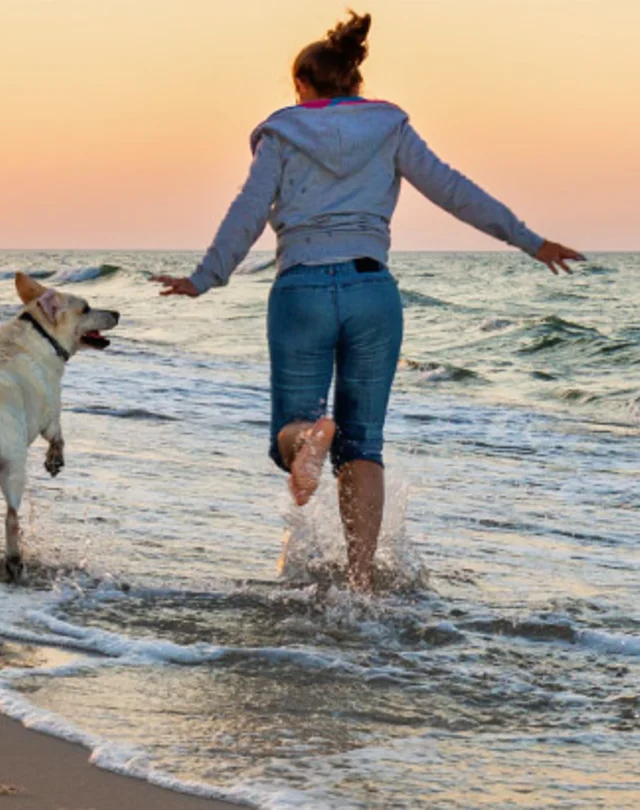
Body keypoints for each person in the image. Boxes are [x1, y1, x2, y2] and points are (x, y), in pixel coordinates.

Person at [155, 11, 583, 593]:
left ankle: (306, 439)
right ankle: (360, 583)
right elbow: (454, 191)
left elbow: (247, 212)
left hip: (302, 288)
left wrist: (204, 278)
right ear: (355, 82)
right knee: (363, 444)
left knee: (293, 427)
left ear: (303, 86)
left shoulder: (283, 134)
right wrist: (530, 241)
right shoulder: (389, 128)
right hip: (372, 291)